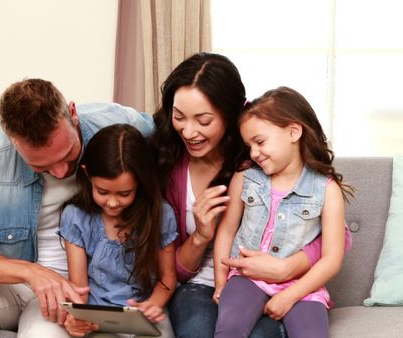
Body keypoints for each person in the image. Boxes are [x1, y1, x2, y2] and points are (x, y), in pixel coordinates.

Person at [0, 79, 154, 338]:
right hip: (12, 283)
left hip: (82, 289)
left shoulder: (119, 125)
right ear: (13, 143)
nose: (60, 172)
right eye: (40, 166)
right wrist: (31, 273)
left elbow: (172, 144)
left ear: (73, 114)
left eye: (68, 153)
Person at [150, 52, 352, 338]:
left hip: (273, 281)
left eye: (204, 120)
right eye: (179, 117)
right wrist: (201, 236)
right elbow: (174, 271)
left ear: (230, 116)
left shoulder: (258, 158)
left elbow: (336, 241)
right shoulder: (165, 162)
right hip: (205, 283)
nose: (188, 130)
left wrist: (286, 269)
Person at [213, 87, 353, 338]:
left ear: (293, 132)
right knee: (230, 327)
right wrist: (221, 281)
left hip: (302, 285)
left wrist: (289, 296)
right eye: (249, 145)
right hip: (247, 277)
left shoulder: (327, 190)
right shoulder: (246, 177)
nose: (254, 152)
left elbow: (332, 258)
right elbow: (226, 230)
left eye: (260, 142)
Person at [59, 124, 177, 337]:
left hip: (144, 313)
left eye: (124, 193)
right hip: (98, 315)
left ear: (140, 183)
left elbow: (167, 279)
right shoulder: (76, 217)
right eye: (102, 191)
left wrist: (151, 306)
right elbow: (79, 291)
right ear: (87, 175)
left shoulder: (161, 215)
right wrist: (77, 319)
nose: (112, 203)